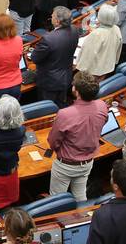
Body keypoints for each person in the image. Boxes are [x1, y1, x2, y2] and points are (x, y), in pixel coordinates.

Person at [46, 71, 107, 200]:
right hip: (87, 163)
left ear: (76, 91)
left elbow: (53, 142)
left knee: (57, 200)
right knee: (80, 196)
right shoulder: (102, 106)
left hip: (65, 165)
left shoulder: (65, 114)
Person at [30, 6, 80, 106]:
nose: (51, 17)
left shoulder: (48, 38)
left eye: (52, 16)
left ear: (57, 21)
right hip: (66, 77)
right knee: (60, 104)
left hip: (49, 82)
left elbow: (34, 58)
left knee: (46, 108)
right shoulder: (74, 30)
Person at [76, 4, 121, 81]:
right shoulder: (116, 28)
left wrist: (80, 69)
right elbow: (118, 48)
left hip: (94, 71)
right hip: (107, 67)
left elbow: (88, 55)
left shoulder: (97, 34)